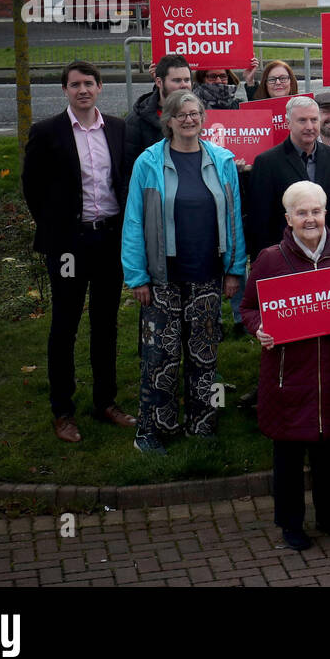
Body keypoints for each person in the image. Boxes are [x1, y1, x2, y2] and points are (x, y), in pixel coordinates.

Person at [239, 180, 330, 550]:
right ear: (289, 218)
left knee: (327, 451)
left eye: (316, 211)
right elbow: (249, 307)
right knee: (288, 454)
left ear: (326, 213)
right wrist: (260, 329)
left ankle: (329, 515)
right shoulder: (270, 259)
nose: (310, 219)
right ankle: (291, 523)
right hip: (287, 375)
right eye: (302, 213)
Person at [121, 90, 246, 454]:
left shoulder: (222, 160)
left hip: (208, 274)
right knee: (160, 355)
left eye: (195, 114)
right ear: (169, 121)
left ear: (203, 118)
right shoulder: (148, 162)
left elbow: (233, 218)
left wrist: (235, 270)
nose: (189, 120)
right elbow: (133, 222)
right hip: (163, 278)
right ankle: (152, 430)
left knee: (204, 354)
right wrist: (137, 276)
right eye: (181, 115)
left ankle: (202, 424)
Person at [23, 60, 135, 444]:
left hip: (108, 242)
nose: (82, 90)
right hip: (69, 246)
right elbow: (32, 189)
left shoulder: (118, 129)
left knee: (106, 324)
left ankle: (105, 402)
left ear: (100, 87)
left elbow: (124, 179)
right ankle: (63, 411)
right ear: (65, 90)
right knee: (65, 325)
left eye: (89, 83)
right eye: (75, 85)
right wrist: (58, 230)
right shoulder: (47, 133)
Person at [248, 96, 330, 255]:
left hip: (326, 254)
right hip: (284, 257)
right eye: (302, 120)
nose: (309, 126)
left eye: (314, 120)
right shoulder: (267, 162)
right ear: (288, 123)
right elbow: (259, 221)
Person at [125, 53, 191, 173]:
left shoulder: (201, 115)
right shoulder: (136, 121)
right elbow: (129, 171)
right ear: (159, 82)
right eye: (176, 80)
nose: (184, 85)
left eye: (187, 80)